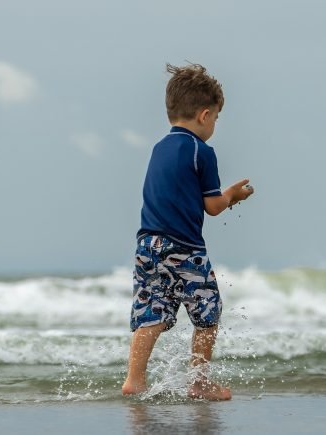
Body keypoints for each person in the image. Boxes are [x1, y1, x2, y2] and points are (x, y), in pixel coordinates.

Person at [122, 63, 254, 401]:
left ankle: (134, 379)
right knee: (208, 309)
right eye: (217, 119)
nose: (215, 127)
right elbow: (212, 206)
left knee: (152, 309)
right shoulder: (202, 152)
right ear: (205, 115)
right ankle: (199, 382)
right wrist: (232, 196)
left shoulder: (159, 148)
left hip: (147, 242)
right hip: (183, 245)